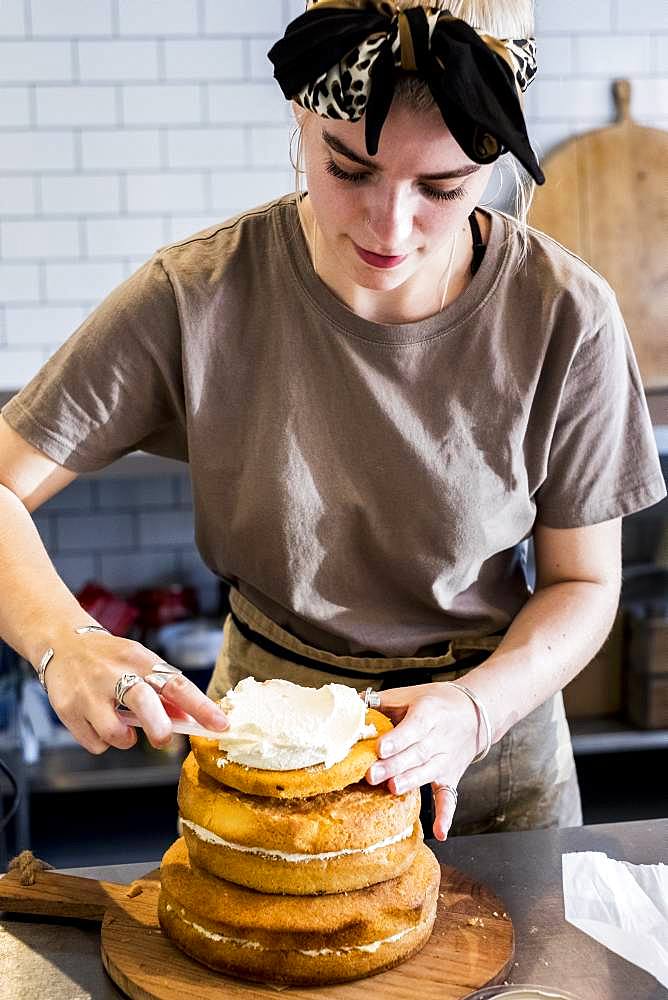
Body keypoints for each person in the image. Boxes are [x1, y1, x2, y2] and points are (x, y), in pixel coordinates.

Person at [0, 0, 664, 843]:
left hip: (485, 747)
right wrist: (64, 639)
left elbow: (584, 584)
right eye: (348, 169)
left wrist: (474, 710)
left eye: (443, 186)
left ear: (497, 155)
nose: (390, 229)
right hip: (261, 749)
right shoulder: (197, 297)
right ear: (300, 117)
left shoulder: (566, 316)